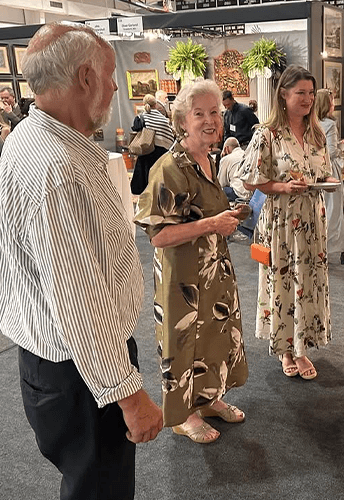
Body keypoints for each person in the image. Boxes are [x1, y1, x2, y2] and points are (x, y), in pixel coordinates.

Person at [0, 22, 163, 500]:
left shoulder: (31, 136)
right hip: (81, 373)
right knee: (100, 488)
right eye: (110, 75)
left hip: (59, 362)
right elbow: (80, 301)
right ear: (86, 77)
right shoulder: (58, 169)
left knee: (89, 483)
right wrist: (129, 396)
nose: (116, 87)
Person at [134, 79, 248, 444]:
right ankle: (185, 416)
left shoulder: (208, 159)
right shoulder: (169, 167)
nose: (210, 120)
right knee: (183, 343)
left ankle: (210, 399)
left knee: (213, 337)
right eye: (200, 114)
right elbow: (158, 235)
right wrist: (212, 224)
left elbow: (202, 214)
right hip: (182, 279)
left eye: (215, 112)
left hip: (213, 271)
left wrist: (226, 217)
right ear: (183, 120)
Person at [240, 65, 337, 380]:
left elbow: (322, 172)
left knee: (308, 282)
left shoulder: (316, 133)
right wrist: (282, 186)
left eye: (311, 93)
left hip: (312, 220)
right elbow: (250, 181)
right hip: (281, 221)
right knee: (284, 282)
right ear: (283, 94)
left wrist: (328, 180)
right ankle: (286, 350)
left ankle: (302, 347)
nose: (307, 99)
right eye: (300, 93)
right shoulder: (267, 134)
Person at [315, 88, 344, 264]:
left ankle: (319, 249)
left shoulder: (310, 123)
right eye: (332, 102)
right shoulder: (329, 125)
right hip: (330, 171)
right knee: (337, 211)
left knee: (321, 210)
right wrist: (341, 147)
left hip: (315, 170)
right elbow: (332, 152)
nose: (334, 105)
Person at [130, 93, 175, 195]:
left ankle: (143, 193)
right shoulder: (163, 119)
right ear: (155, 104)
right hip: (162, 153)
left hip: (147, 149)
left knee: (143, 173)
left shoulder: (141, 117)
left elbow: (135, 127)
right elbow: (169, 136)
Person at [218, 136, 253, 202]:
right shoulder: (248, 155)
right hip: (252, 194)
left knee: (218, 191)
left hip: (238, 194)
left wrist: (222, 159)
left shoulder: (226, 159)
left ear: (226, 149)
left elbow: (221, 183)